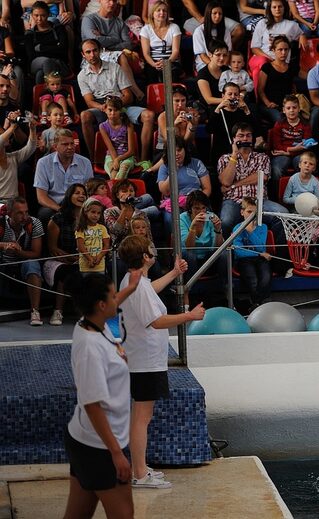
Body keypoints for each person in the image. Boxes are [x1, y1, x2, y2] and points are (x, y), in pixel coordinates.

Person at [117, 234, 205, 489]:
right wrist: (189, 315)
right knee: (141, 417)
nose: (153, 250)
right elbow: (155, 321)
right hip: (144, 362)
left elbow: (150, 290)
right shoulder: (138, 285)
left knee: (142, 416)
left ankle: (140, 468)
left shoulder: (136, 281)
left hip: (143, 359)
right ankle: (139, 473)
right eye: (149, 249)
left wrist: (174, 272)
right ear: (145, 257)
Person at [61, 273, 141, 519]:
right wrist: (116, 454)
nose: (118, 298)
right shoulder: (90, 348)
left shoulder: (92, 323)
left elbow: (112, 301)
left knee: (78, 513)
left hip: (88, 441)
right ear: (101, 305)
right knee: (124, 514)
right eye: (113, 294)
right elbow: (92, 404)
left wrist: (133, 286)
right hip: (99, 448)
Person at [77, 39, 155, 162]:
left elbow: (128, 96)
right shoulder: (82, 75)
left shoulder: (115, 68)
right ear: (83, 55)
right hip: (101, 107)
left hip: (120, 105)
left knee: (149, 115)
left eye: (95, 50)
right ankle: (93, 159)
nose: (92, 55)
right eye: (88, 52)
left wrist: (115, 106)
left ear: (100, 51)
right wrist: (102, 107)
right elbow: (89, 101)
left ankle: (143, 160)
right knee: (84, 116)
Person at [218, 122, 286, 234]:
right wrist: (234, 155)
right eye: (241, 135)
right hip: (234, 200)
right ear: (234, 139)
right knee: (226, 221)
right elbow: (226, 181)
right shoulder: (224, 159)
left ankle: (273, 245)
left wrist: (234, 185)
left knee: (283, 214)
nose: (245, 138)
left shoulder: (262, 157)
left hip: (259, 200)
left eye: (248, 135)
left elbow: (261, 177)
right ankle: (227, 250)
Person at [80, 0, 144, 102]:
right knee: (121, 56)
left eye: (114, 0)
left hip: (112, 55)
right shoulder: (89, 19)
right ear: (100, 1)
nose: (112, 3)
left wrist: (104, 39)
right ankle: (137, 92)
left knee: (123, 55)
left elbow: (128, 44)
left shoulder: (119, 22)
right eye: (108, 0)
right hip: (93, 56)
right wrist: (116, 38)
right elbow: (94, 41)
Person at [45, 183, 86, 325]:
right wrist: (71, 258)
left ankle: (86, 314)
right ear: (69, 196)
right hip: (57, 260)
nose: (81, 196)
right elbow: (53, 249)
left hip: (82, 259)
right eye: (77, 193)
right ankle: (58, 311)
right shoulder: (57, 219)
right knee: (67, 271)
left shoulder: (88, 218)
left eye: (83, 193)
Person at [0, 197, 44, 326]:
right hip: (3, 262)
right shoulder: (1, 223)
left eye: (26, 212)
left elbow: (36, 253)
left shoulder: (35, 223)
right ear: (9, 213)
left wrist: (18, 252)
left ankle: (35, 311)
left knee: (32, 265)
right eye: (20, 213)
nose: (24, 216)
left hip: (24, 261)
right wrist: (3, 245)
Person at [34, 129, 93, 225]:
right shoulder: (43, 163)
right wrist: (60, 209)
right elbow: (41, 197)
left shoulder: (85, 162)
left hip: (78, 204)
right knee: (44, 214)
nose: (70, 147)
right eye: (65, 144)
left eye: (72, 143)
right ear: (55, 147)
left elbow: (90, 191)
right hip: (54, 205)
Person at [179, 190, 226, 302]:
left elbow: (218, 247)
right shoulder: (182, 218)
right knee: (189, 254)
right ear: (190, 208)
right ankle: (188, 291)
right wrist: (193, 227)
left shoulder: (211, 217)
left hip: (209, 259)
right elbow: (188, 247)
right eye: (196, 208)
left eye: (203, 208)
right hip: (189, 261)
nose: (201, 211)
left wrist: (218, 230)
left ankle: (224, 290)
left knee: (224, 253)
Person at [157, 137, 211, 234]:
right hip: (174, 204)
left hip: (197, 202)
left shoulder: (197, 163)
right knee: (169, 220)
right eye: (173, 150)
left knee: (210, 219)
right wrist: (173, 171)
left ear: (185, 150)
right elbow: (165, 191)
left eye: (179, 150)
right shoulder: (164, 167)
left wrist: (196, 202)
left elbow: (207, 189)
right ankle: (175, 246)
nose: (176, 153)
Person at [249, 0, 304, 87]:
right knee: (264, 66)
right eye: (274, 7)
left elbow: (301, 34)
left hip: (282, 62)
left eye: (280, 7)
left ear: (284, 8)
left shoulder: (291, 25)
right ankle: (258, 98)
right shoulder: (262, 23)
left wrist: (302, 37)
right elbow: (254, 48)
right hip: (261, 59)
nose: (277, 9)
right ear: (269, 9)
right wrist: (270, 59)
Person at [232, 197, 272, 308]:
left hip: (260, 258)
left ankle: (256, 303)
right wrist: (258, 254)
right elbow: (239, 252)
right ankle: (258, 305)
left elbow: (261, 247)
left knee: (266, 278)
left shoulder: (263, 227)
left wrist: (250, 232)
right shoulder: (237, 228)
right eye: (249, 211)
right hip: (244, 260)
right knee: (253, 279)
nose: (252, 215)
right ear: (242, 212)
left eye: (255, 212)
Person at [207, 82, 257, 163]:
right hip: (222, 154)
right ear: (223, 96)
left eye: (236, 94)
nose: (233, 97)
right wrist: (218, 108)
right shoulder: (217, 112)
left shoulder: (243, 112)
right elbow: (209, 129)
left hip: (242, 152)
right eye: (230, 94)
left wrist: (246, 110)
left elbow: (255, 130)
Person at [24, 1, 70, 85]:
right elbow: (31, 56)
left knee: (40, 74)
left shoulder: (58, 29)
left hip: (59, 63)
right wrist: (55, 47)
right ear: (32, 15)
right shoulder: (30, 34)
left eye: (43, 15)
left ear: (48, 15)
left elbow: (63, 50)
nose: (39, 19)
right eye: (36, 15)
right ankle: (56, 93)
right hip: (36, 64)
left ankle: (44, 96)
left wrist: (41, 48)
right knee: (47, 62)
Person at [258, 36, 300, 125]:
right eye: (280, 50)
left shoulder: (292, 67)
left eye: (286, 49)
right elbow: (260, 90)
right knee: (280, 119)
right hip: (269, 105)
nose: (283, 53)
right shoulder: (267, 67)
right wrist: (268, 103)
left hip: (288, 106)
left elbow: (308, 76)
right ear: (273, 50)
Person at [269, 94, 312, 181]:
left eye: (294, 107)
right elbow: (277, 146)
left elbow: (306, 146)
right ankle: (276, 194)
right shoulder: (279, 124)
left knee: (304, 168)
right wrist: (293, 149)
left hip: (298, 154)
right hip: (283, 154)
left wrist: (289, 152)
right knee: (276, 170)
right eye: (288, 108)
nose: (291, 110)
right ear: (284, 110)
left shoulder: (305, 125)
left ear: (299, 109)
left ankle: (302, 193)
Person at [140, 0, 182, 83]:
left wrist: (167, 63)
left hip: (171, 61)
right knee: (151, 75)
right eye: (158, 10)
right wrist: (154, 64)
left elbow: (176, 51)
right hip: (153, 62)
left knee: (171, 73)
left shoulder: (174, 27)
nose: (162, 13)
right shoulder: (146, 29)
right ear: (152, 13)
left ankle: (172, 95)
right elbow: (146, 53)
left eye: (164, 11)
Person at [0, 116, 36, 205]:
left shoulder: (13, 157)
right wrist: (13, 126)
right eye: (2, 134)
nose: (5, 134)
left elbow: (31, 147)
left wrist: (32, 129)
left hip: (13, 203)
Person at [99, 98, 137, 181]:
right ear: (105, 109)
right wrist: (115, 160)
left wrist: (118, 159)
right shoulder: (103, 126)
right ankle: (117, 193)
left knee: (122, 172)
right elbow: (111, 148)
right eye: (110, 110)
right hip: (111, 156)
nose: (112, 113)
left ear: (121, 111)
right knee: (113, 175)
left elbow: (131, 151)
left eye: (115, 110)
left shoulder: (128, 125)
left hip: (127, 157)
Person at [75, 197, 110, 276]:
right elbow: (80, 246)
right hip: (85, 266)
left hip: (100, 265)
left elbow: (106, 245)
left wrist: (99, 257)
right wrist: (89, 258)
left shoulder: (102, 228)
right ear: (85, 212)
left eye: (98, 213)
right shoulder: (81, 228)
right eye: (93, 212)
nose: (96, 215)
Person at [196, 41, 230, 110]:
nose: (222, 58)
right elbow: (209, 100)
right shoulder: (203, 74)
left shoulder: (227, 70)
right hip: (210, 108)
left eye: (224, 55)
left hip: (227, 105)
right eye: (218, 55)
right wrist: (229, 101)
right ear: (210, 54)